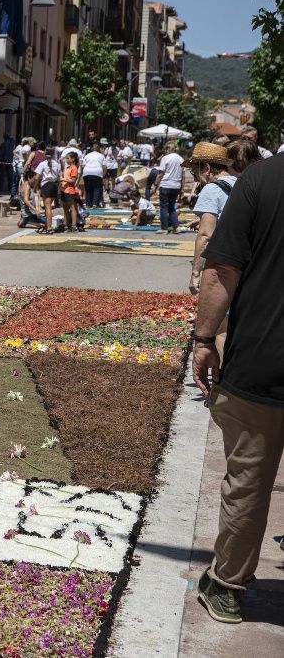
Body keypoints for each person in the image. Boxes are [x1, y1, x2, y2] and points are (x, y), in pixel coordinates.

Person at [190, 150, 284, 626]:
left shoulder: (257, 182)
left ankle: (226, 587)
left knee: (247, 482)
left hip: (262, 359)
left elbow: (221, 270)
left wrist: (205, 339)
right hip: (262, 364)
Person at [186, 142, 238, 295]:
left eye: (194, 172)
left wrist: (195, 273)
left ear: (207, 168)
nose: (196, 178)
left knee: (217, 316)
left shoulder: (211, 188)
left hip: (224, 262)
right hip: (247, 259)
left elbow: (205, 235)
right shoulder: (240, 182)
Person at [153, 142, 185, 234]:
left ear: (168, 149)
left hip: (166, 184)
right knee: (172, 207)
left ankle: (164, 228)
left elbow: (160, 173)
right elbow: (183, 175)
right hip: (176, 185)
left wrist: (155, 184)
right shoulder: (181, 159)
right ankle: (176, 227)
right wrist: (182, 188)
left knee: (164, 207)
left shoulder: (165, 158)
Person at [60, 151, 82, 233]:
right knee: (65, 209)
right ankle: (66, 225)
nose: (66, 160)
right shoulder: (67, 168)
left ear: (73, 159)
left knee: (72, 209)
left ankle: (74, 225)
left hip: (70, 191)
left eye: (67, 158)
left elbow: (73, 180)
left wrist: (63, 179)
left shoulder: (74, 168)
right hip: (64, 190)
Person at [80, 142, 106, 209]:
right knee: (96, 188)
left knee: (88, 189)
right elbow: (105, 166)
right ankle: (95, 203)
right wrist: (103, 174)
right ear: (98, 149)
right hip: (97, 172)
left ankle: (88, 204)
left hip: (87, 172)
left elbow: (83, 165)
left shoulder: (87, 155)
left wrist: (82, 173)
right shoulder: (101, 156)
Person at [10, 137, 34, 201]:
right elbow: (23, 152)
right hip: (21, 166)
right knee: (23, 182)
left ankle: (19, 196)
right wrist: (26, 160)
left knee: (20, 182)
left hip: (19, 166)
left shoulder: (24, 147)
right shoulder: (27, 147)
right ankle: (21, 196)